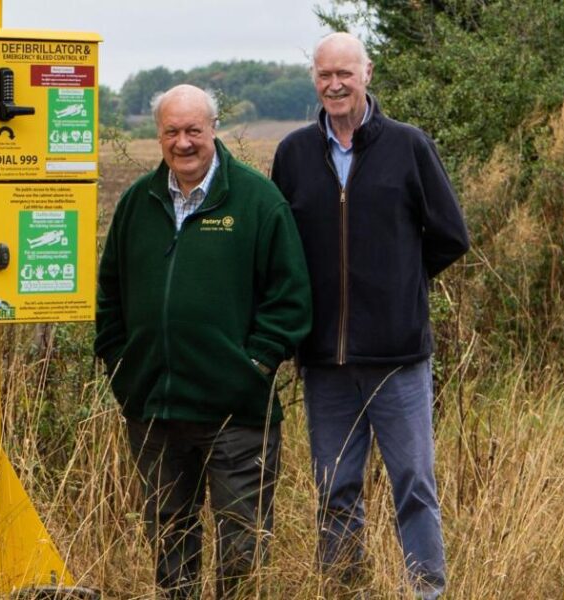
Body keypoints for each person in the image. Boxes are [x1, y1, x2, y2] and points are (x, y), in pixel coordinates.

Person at [271, 32, 470, 598]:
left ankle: (427, 591)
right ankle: (344, 590)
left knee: (414, 485)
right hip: (324, 362)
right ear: (314, 78)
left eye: (345, 73)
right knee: (335, 488)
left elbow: (452, 234)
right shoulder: (293, 153)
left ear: (367, 73)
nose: (335, 84)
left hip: (397, 358)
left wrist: (399, 284)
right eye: (324, 74)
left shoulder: (408, 145)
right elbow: (279, 248)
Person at [95, 84, 312, 598]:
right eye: (172, 131)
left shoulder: (258, 201)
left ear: (214, 129)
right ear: (158, 135)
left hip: (235, 414)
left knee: (241, 552)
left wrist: (252, 367)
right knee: (171, 547)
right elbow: (109, 295)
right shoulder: (137, 204)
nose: (184, 142)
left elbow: (291, 299)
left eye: (194, 130)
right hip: (155, 410)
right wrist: (122, 368)